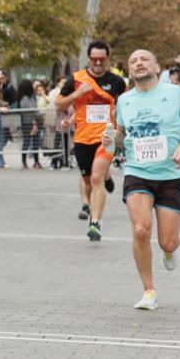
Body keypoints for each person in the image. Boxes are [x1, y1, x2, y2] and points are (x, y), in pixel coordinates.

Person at [107, 49, 180, 310]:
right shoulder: (124, 100)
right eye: (133, 61)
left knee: (166, 241)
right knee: (140, 230)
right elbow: (120, 136)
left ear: (156, 67)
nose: (139, 64)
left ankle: (171, 249)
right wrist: (110, 141)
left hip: (171, 174)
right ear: (129, 71)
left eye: (144, 59)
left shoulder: (174, 93)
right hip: (138, 172)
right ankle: (149, 291)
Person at [53, 41, 125, 240]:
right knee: (88, 180)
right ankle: (107, 176)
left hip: (106, 137)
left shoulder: (117, 82)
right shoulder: (76, 79)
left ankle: (95, 222)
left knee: (95, 179)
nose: (98, 63)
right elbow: (59, 105)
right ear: (89, 59)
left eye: (102, 59)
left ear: (107, 59)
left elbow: (127, 104)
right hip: (83, 138)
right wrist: (78, 93)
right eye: (95, 59)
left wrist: (120, 127)